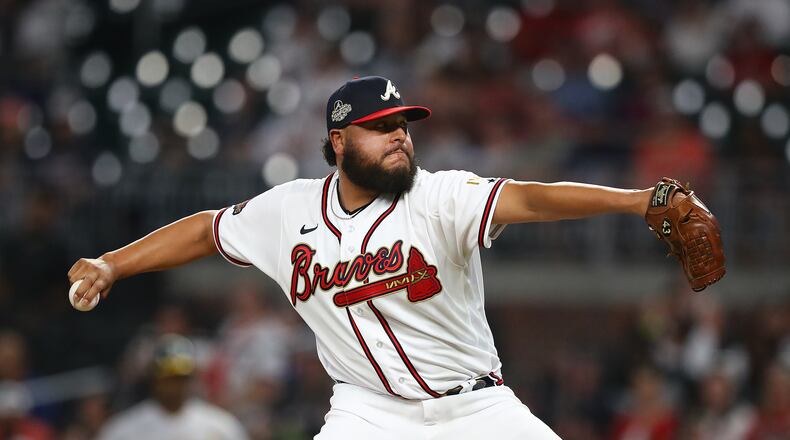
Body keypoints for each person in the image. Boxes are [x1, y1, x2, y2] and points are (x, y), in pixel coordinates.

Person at [70, 76, 671, 439]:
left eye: (403, 124)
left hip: (475, 405)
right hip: (369, 413)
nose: (400, 136)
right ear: (338, 142)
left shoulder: (437, 195)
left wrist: (638, 200)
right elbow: (207, 231)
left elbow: (529, 199)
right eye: (380, 126)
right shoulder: (289, 211)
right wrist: (114, 264)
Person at [95, 334, 248, 440]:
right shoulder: (124, 430)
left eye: (179, 378)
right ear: (154, 378)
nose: (174, 386)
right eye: (167, 378)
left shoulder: (220, 425)